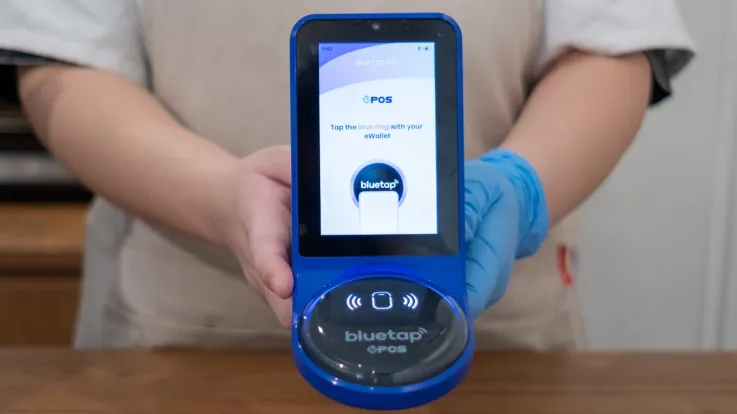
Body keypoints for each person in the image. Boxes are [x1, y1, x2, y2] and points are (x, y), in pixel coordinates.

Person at [0, 0, 695, 349]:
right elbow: (65, 62)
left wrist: (520, 179)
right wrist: (217, 197)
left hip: (487, 331)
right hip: (186, 336)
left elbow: (610, 45)